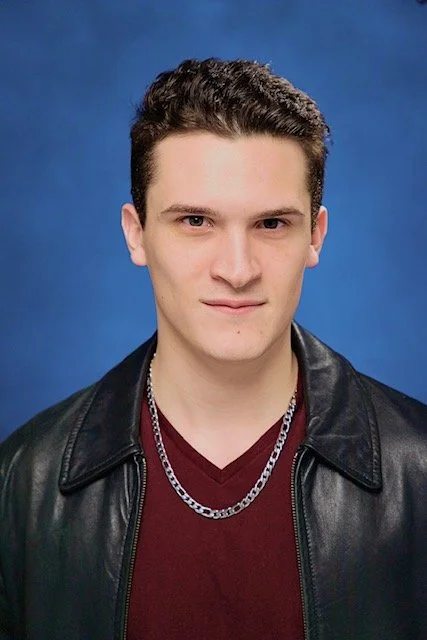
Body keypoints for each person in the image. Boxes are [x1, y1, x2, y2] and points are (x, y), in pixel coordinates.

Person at [1, 57, 426, 640]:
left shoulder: (417, 472)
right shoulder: (23, 483)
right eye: (196, 220)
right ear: (136, 234)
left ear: (315, 236)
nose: (237, 269)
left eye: (271, 224)